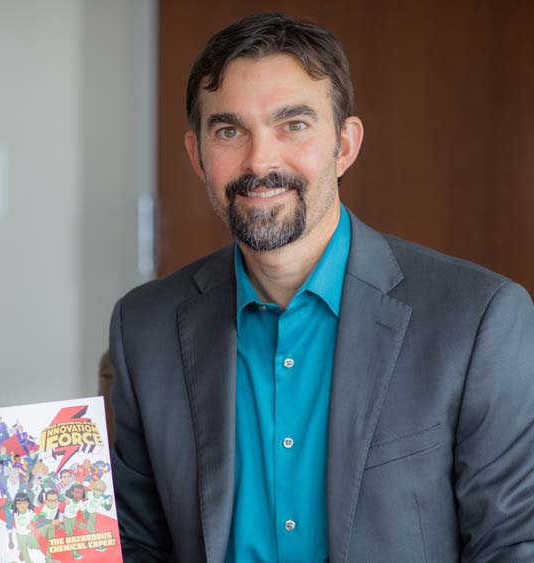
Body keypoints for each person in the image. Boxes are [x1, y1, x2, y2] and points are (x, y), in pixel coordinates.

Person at [109, 12, 534, 563]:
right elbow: (137, 544)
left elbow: (513, 547)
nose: (260, 161)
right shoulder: (145, 327)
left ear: (345, 145)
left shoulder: (478, 318)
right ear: (197, 156)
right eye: (230, 130)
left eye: (294, 124)